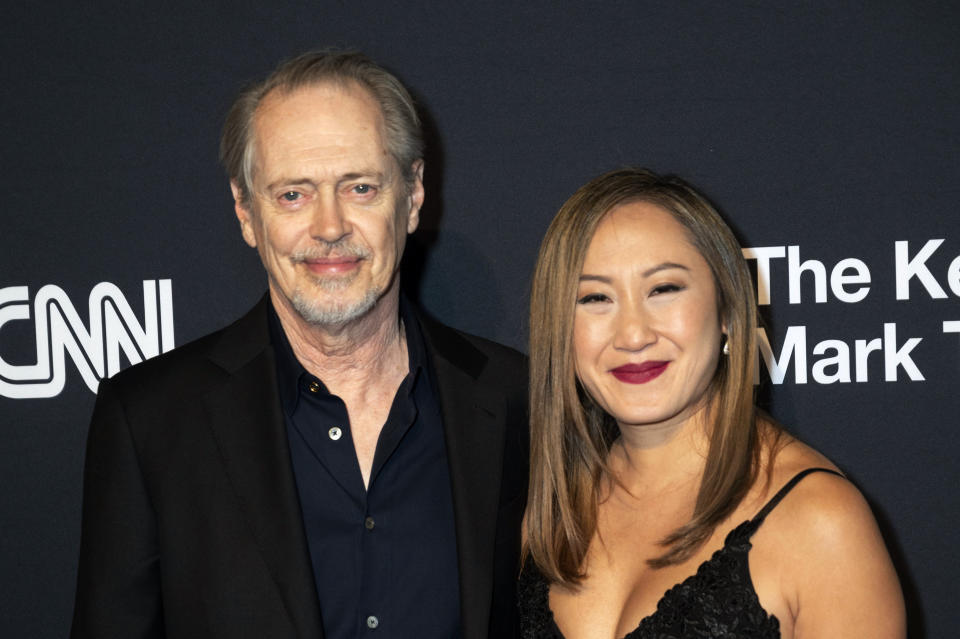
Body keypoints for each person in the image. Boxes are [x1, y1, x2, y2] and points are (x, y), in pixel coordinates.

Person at [71, 51, 528, 639]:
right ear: (245, 212)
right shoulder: (151, 420)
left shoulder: (514, 399)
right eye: (293, 195)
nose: (329, 225)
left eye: (360, 187)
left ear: (412, 196)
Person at [518, 168, 904, 638]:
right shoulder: (552, 512)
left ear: (727, 310)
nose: (634, 335)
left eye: (663, 289)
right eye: (595, 297)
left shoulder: (821, 522)